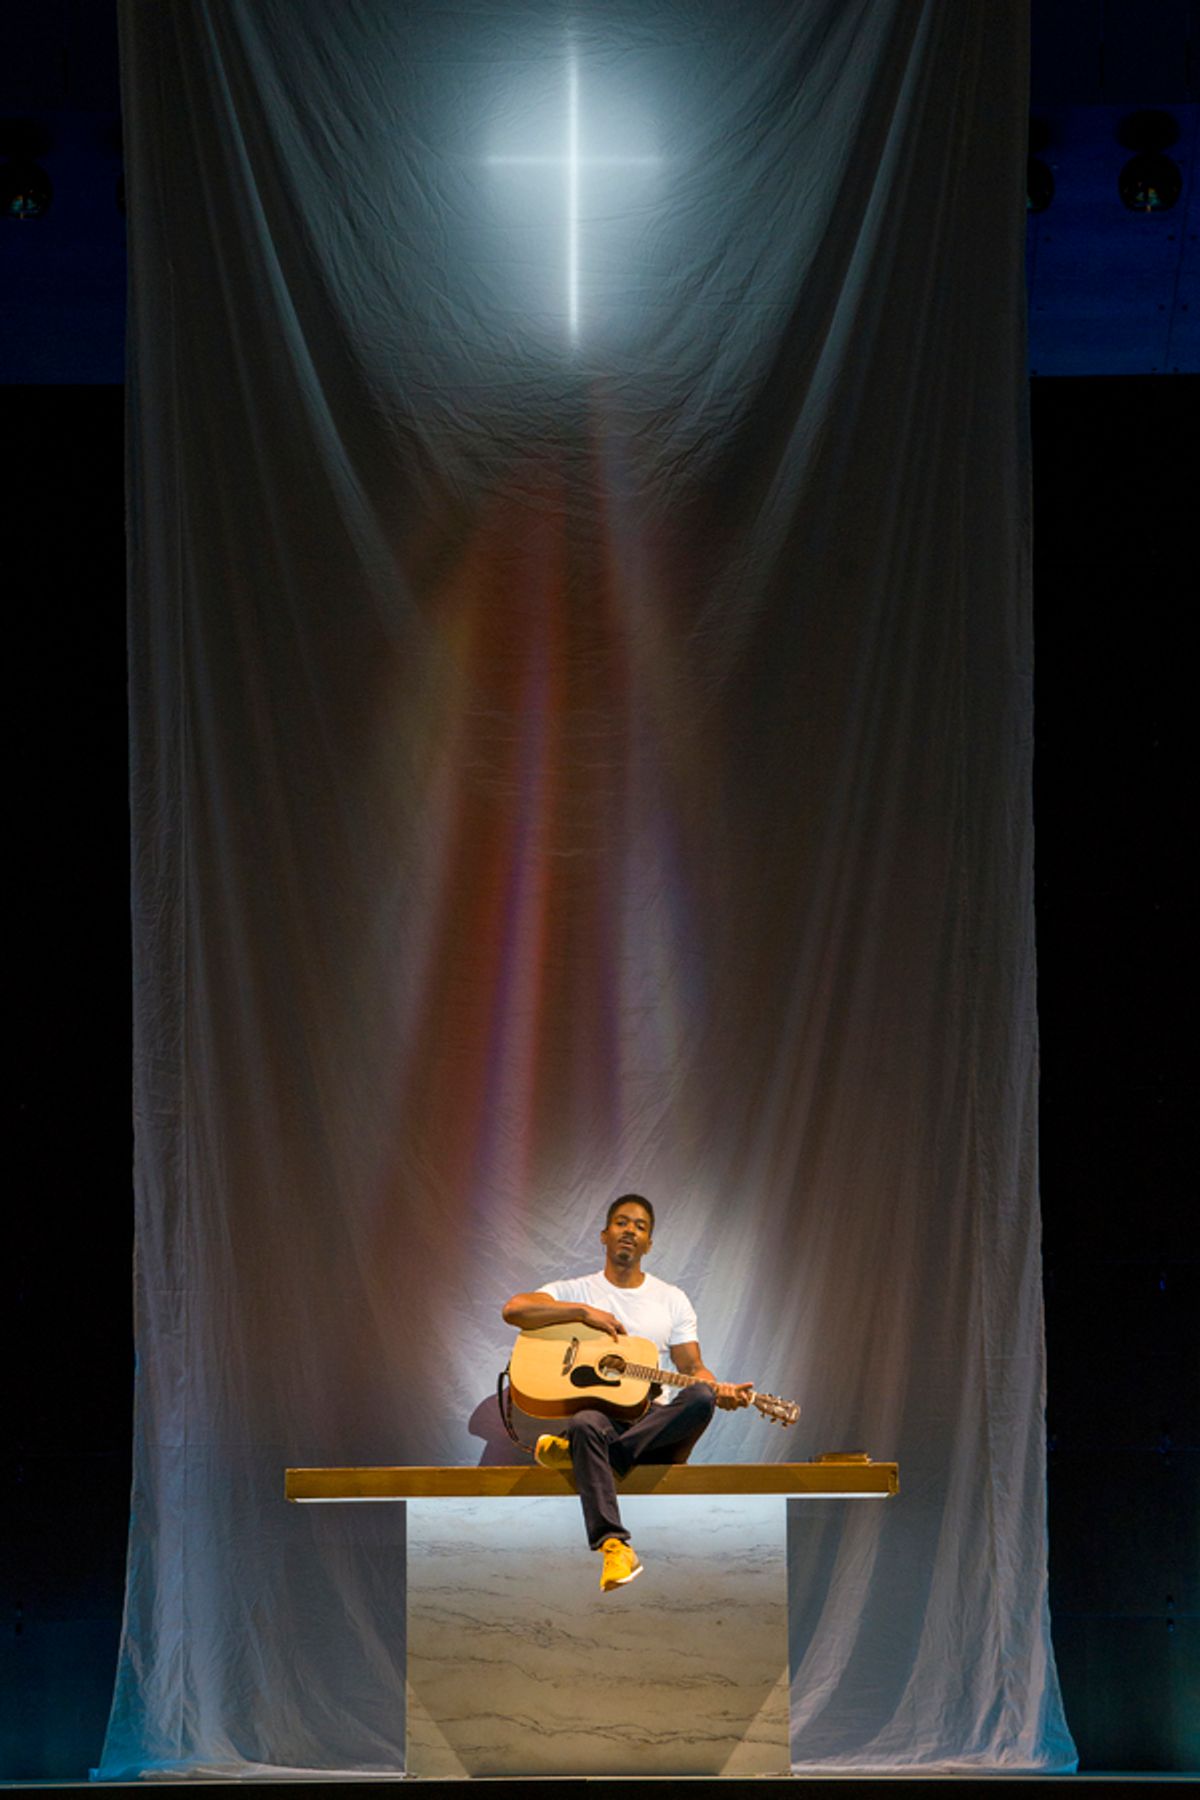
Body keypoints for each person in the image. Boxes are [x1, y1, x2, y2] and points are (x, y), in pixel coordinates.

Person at [501, 1193, 755, 1592]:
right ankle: (615, 1546)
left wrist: (717, 1386)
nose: (630, 1231)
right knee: (586, 1421)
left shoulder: (672, 1299)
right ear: (604, 1235)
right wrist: (582, 1313)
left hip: (657, 1428)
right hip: (608, 1423)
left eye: (640, 1226)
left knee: (701, 1398)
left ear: (649, 1244)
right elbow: (515, 1309)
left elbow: (692, 1368)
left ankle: (588, 1456)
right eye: (621, 1222)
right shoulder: (575, 1291)